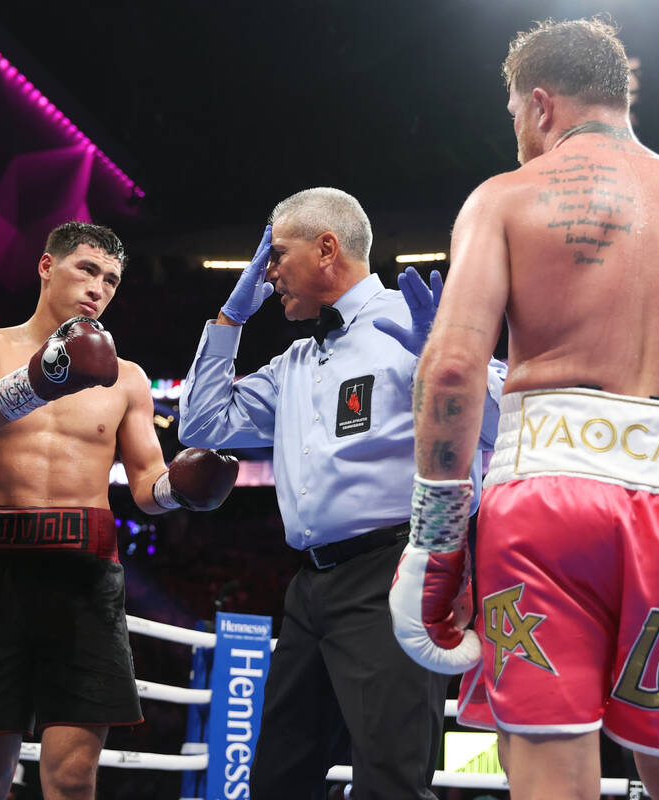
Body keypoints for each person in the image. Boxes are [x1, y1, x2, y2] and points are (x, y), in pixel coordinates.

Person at [391, 18, 659, 800]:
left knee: (552, 780)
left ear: (542, 104)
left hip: (545, 511)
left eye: (516, 114)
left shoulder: (505, 198)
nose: (519, 133)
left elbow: (452, 370)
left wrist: (436, 546)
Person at [178, 187, 506, 800]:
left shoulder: (415, 320)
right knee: (278, 780)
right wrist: (230, 320)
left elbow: (506, 427)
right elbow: (202, 425)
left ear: (327, 248)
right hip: (309, 587)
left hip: (394, 575)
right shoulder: (295, 361)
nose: (266, 274)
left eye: (276, 256)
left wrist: (449, 366)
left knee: (391, 781)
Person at [0, 221, 239, 800]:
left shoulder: (127, 378)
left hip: (85, 574)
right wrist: (40, 380)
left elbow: (148, 484)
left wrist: (184, 487)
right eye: (87, 269)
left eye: (112, 279)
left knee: (74, 778)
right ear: (47, 266)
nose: (99, 287)